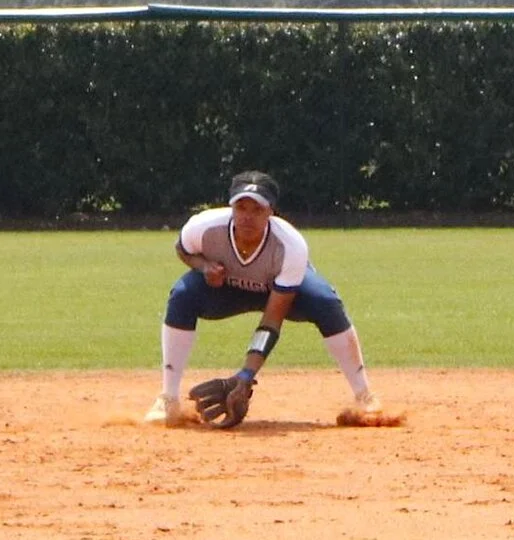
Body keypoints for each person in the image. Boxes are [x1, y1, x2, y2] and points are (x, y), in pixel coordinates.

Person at [143, 170, 382, 427]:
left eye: (257, 209)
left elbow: (272, 318)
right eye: (241, 207)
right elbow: (183, 249)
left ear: (271, 212)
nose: (247, 216)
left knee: (325, 301)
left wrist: (247, 375)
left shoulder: (290, 246)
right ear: (231, 206)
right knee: (182, 295)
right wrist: (203, 267)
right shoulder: (204, 227)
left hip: (279, 291)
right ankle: (168, 398)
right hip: (227, 287)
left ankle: (364, 396)